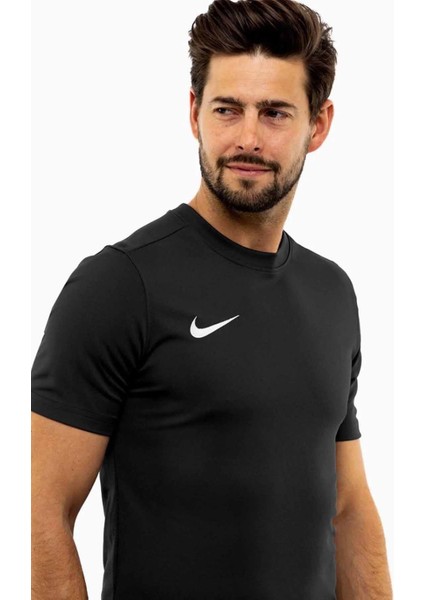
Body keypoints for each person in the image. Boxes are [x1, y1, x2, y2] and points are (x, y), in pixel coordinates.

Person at [31, 0, 392, 598]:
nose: (247, 138)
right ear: (195, 112)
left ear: (319, 125)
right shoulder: (119, 285)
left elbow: (349, 507)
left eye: (274, 113)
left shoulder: (332, 291)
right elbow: (39, 511)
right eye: (227, 109)